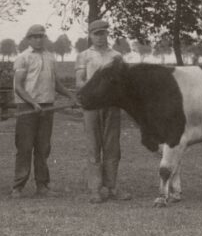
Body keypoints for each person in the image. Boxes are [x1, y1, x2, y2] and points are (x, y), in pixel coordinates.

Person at [11, 24, 75, 198]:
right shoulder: (23, 58)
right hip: (27, 109)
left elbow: (56, 84)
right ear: (29, 39)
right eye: (35, 37)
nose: (38, 39)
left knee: (43, 148)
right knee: (24, 147)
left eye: (41, 36)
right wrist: (32, 103)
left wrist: (70, 96)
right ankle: (18, 187)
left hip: (47, 107)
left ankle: (42, 186)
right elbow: (18, 87)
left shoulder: (50, 57)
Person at [75, 20, 132, 203]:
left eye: (103, 33)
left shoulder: (116, 56)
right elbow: (79, 81)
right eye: (96, 33)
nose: (100, 37)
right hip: (92, 107)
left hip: (112, 107)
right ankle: (95, 189)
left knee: (112, 148)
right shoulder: (84, 56)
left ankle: (112, 187)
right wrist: (93, 93)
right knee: (93, 147)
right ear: (90, 36)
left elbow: (123, 82)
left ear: (107, 34)